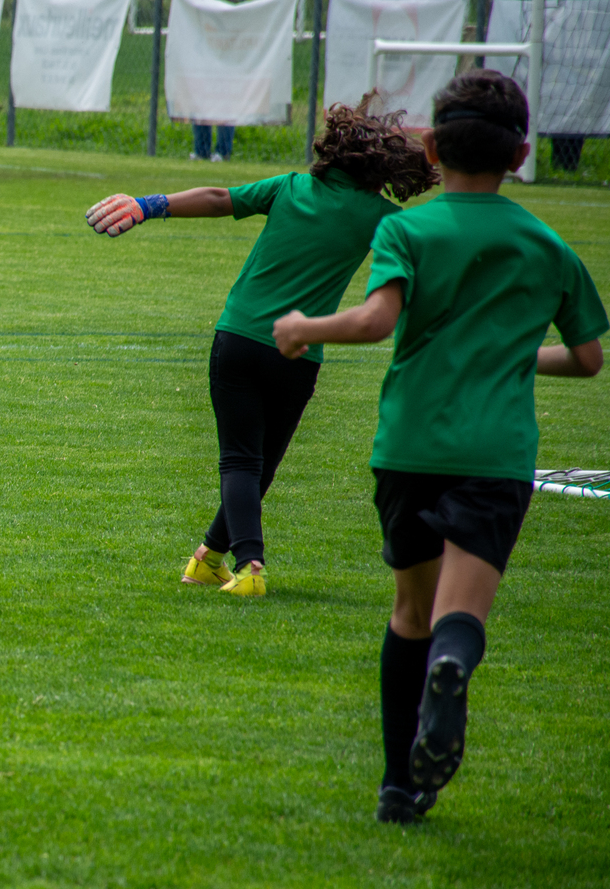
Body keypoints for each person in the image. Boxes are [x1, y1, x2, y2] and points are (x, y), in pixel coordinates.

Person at [271, 70, 607, 825]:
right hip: (494, 454)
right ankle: (454, 664)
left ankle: (399, 787)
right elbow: (589, 358)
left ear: (430, 147)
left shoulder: (407, 231)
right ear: (519, 154)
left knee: (410, 610)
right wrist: (514, 355)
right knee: (459, 618)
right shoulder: (548, 245)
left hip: (410, 446)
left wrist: (301, 327)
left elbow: (374, 322)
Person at [85, 95, 438, 597]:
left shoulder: (291, 187)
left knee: (242, 461)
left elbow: (216, 198)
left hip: (238, 339)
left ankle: (228, 563)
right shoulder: (385, 219)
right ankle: (230, 563)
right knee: (259, 464)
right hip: (299, 354)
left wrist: (149, 206)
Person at [164, 0, 238, 161]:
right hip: (199, 53)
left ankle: (222, 151)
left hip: (219, 52)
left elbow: (230, 19)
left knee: (222, 101)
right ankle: (202, 150)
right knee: (199, 99)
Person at [545, 0, 596, 171]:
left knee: (574, 120)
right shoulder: (558, 1)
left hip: (580, 71)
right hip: (559, 73)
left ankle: (569, 166)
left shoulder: (590, 0)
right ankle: (557, 166)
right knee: (557, 117)